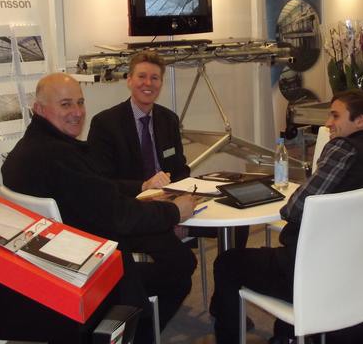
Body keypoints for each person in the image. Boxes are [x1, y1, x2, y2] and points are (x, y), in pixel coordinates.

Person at [1, 73, 197, 343]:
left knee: (173, 255)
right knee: (179, 270)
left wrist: (141, 192)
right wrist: (175, 212)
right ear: (39, 109)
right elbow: (118, 215)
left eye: (80, 102)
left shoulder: (25, 151)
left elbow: (95, 191)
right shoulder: (61, 157)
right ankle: (136, 334)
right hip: (95, 272)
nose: (77, 112)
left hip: (55, 264)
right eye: (66, 104)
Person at [209, 89, 363, 344]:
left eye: (335, 116)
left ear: (360, 120)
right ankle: (286, 335)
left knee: (227, 263)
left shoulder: (343, 149)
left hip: (316, 278)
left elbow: (295, 208)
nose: (328, 123)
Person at [88, 50, 249, 247]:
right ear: (129, 80)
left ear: (161, 83)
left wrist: (183, 200)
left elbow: (180, 169)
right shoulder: (106, 124)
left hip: (171, 202)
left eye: (155, 78)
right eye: (141, 76)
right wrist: (144, 186)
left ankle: (224, 266)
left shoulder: (169, 119)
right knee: (181, 259)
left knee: (238, 223)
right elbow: (103, 183)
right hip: (135, 211)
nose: (148, 83)